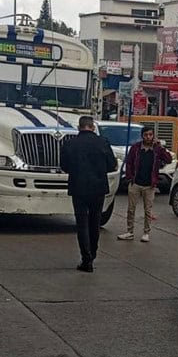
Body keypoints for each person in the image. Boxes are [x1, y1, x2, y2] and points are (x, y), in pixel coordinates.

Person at [61, 116, 117, 272]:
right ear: (92, 127)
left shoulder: (70, 144)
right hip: (98, 188)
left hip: (78, 188)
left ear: (79, 127)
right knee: (95, 222)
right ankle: (92, 254)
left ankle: (86, 258)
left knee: (82, 223)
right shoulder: (103, 142)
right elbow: (111, 165)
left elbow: (64, 167)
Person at [117, 127, 172, 242]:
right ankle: (129, 231)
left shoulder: (157, 149)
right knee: (131, 209)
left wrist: (161, 147)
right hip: (135, 183)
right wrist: (130, 177)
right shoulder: (136, 148)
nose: (148, 137)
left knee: (148, 210)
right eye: (146, 135)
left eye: (150, 135)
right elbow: (129, 162)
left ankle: (146, 232)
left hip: (149, 185)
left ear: (153, 136)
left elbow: (168, 160)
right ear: (142, 136)